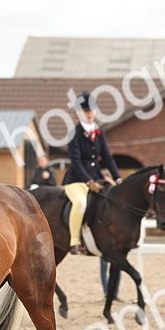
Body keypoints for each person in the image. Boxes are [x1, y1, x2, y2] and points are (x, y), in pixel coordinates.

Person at [62, 92, 121, 254]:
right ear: (78, 114)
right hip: (76, 180)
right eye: (85, 111)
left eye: (91, 110)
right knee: (81, 203)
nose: (89, 114)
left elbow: (108, 158)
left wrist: (118, 178)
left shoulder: (99, 133)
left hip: (97, 178)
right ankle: (74, 242)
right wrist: (89, 181)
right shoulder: (75, 134)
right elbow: (76, 162)